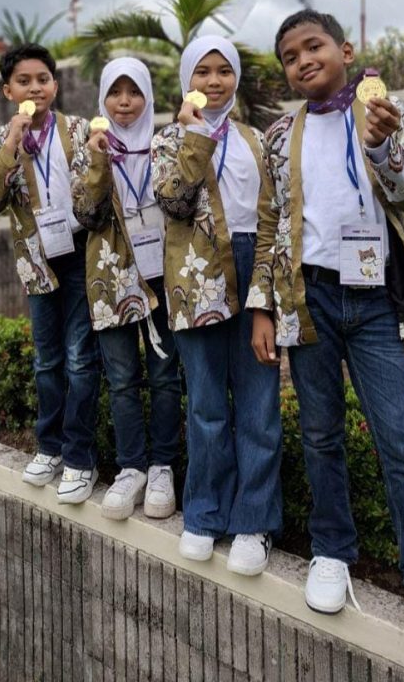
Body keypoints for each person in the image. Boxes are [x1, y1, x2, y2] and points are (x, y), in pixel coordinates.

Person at [248, 10, 404, 658]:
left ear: (344, 50)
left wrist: (380, 147)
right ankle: (331, 551)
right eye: (290, 56)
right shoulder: (280, 135)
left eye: (313, 46)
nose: (302, 61)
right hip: (308, 296)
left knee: (400, 442)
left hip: (370, 301)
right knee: (320, 435)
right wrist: (262, 307)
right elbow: (269, 223)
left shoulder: (381, 109)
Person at [151, 36, 282, 575]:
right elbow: (173, 200)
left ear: (236, 79)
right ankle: (204, 512)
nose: (213, 81)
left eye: (223, 71)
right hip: (194, 273)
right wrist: (196, 136)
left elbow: (275, 220)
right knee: (205, 404)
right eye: (202, 71)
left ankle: (255, 520)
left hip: (253, 265)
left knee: (258, 402)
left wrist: (266, 296)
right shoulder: (168, 139)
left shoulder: (258, 140)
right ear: (187, 79)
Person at [0, 43, 100, 504]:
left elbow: (94, 193)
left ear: (55, 85)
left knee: (80, 359)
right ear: (8, 91)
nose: (35, 88)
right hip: (37, 261)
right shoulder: (0, 139)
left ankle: (80, 457)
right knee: (47, 361)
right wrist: (12, 143)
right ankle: (49, 448)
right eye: (24, 81)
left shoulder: (79, 130)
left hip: (81, 256)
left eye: (42, 79)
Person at [71, 57, 181, 521]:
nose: (124, 102)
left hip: (163, 273)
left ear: (147, 97)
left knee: (165, 374)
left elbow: (182, 202)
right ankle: (131, 466)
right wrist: (99, 160)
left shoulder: (164, 145)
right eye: (115, 93)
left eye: (134, 92)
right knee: (120, 378)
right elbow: (87, 214)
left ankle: (163, 467)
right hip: (111, 275)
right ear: (102, 99)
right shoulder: (88, 150)